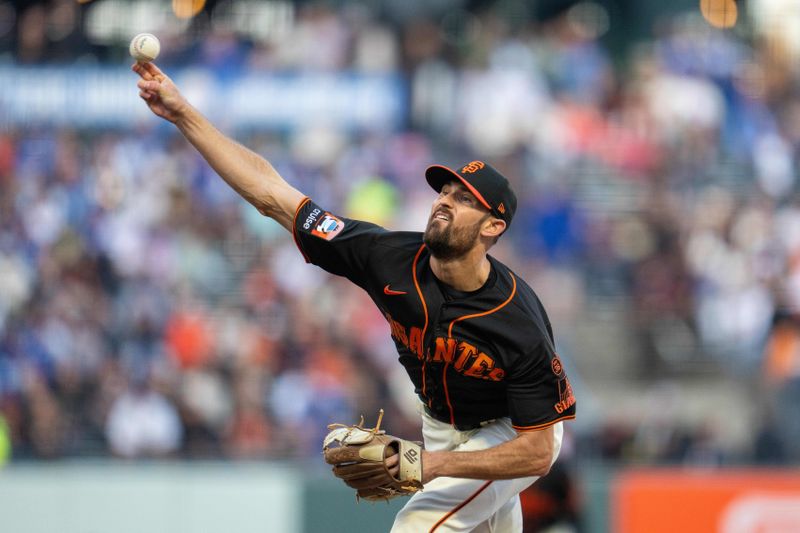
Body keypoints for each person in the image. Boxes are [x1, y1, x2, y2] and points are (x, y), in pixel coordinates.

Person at [132, 61, 576, 532]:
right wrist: (184, 115)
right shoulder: (386, 256)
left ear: (493, 227)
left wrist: (433, 465)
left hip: (508, 432)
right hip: (441, 425)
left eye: (464, 198)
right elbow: (274, 196)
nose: (445, 200)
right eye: (444, 190)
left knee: (419, 525)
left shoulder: (517, 319)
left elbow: (540, 451)